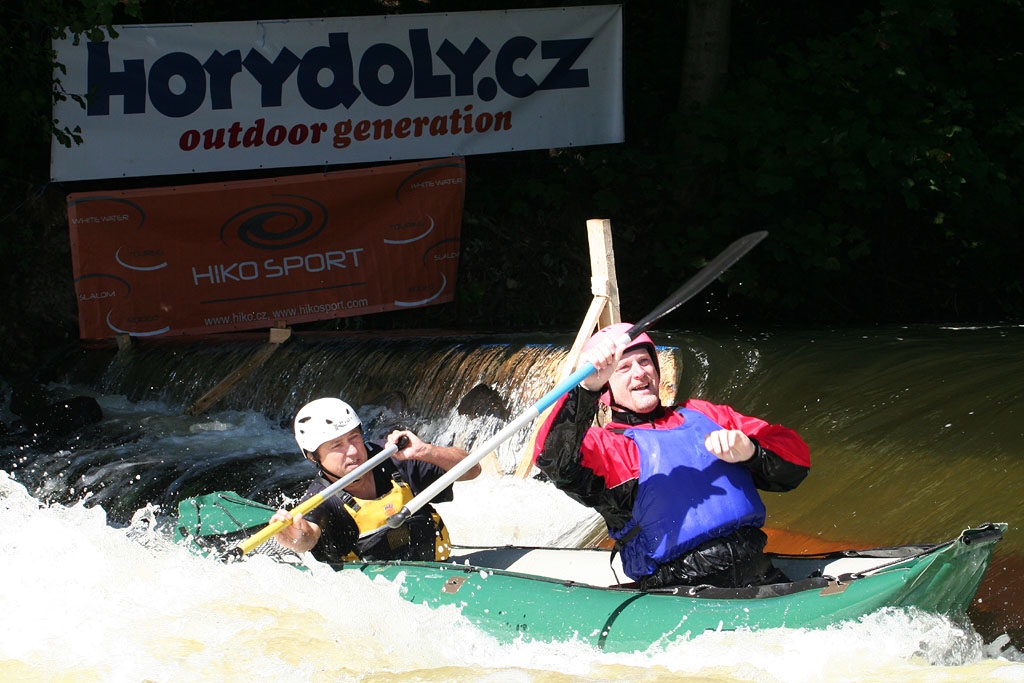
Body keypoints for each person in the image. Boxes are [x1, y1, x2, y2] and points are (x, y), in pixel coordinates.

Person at [533, 323, 810, 590]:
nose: (640, 373)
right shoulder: (608, 447)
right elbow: (552, 460)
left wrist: (752, 452)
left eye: (644, 362)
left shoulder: (705, 415)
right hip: (678, 588)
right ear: (606, 387)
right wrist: (585, 389)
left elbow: (796, 461)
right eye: (624, 368)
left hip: (757, 571)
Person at [271, 397, 481, 563]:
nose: (353, 451)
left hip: (441, 569)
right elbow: (308, 536)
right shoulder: (320, 498)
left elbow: (473, 470)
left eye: (354, 437)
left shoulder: (394, 456)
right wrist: (294, 537)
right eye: (337, 445)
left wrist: (426, 451)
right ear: (313, 457)